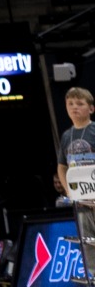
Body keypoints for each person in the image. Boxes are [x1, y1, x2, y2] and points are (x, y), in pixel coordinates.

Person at [58, 87, 95, 244]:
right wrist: (69, 191)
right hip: (80, 202)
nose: (74, 107)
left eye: (80, 103)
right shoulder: (67, 135)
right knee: (88, 246)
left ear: (91, 108)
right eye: (70, 103)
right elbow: (61, 166)